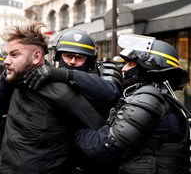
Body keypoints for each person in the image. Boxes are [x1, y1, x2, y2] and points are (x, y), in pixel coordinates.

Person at [0, 22, 106, 174]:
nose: (6, 61)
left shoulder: (62, 92)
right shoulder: (14, 81)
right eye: (7, 55)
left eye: (14, 54)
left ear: (37, 56)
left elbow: (98, 129)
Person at [74, 34, 191, 173]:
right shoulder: (160, 95)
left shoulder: (149, 98)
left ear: (148, 66)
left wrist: (75, 131)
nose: (123, 69)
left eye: (130, 63)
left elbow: (103, 148)